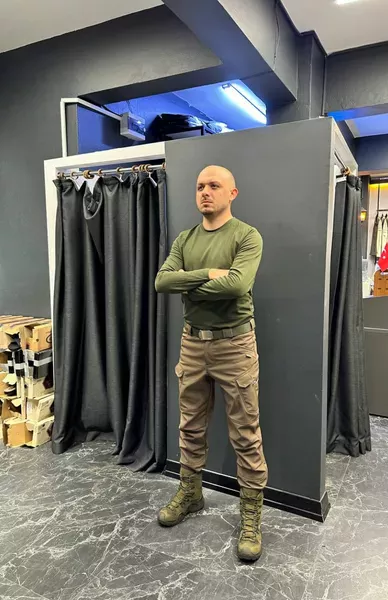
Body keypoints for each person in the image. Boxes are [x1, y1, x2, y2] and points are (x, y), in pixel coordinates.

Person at [155, 165, 268, 562]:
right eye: (200, 186)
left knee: (245, 433)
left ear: (232, 193)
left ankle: (251, 516)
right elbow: (162, 282)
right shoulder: (185, 239)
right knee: (190, 425)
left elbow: (238, 285)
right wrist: (207, 274)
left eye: (214, 185)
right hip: (192, 344)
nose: (205, 191)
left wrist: (189, 283)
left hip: (235, 345)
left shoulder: (246, 236)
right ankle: (191, 494)